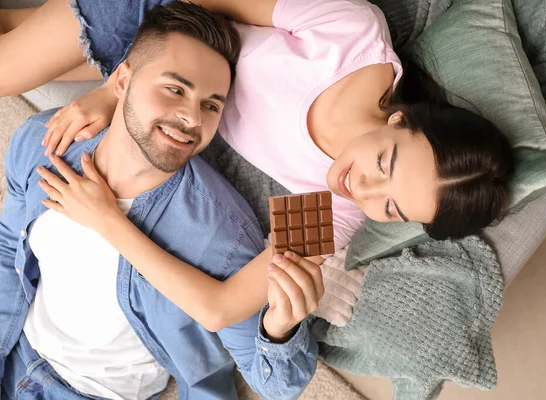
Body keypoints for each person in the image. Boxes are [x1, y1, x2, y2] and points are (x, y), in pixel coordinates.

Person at [0, 0, 514, 330]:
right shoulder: (352, 37)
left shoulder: (334, 212)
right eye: (385, 162)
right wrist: (117, 90)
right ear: (401, 120)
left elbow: (218, 308)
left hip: (163, 84)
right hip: (165, 18)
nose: (362, 186)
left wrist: (107, 220)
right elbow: (205, 1)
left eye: (392, 206)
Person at [0, 3, 322, 399]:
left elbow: (275, 384)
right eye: (175, 89)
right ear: (121, 82)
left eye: (211, 105)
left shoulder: (222, 237)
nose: (191, 117)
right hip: (17, 350)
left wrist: (280, 329)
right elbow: (8, 245)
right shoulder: (43, 142)